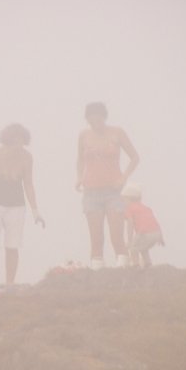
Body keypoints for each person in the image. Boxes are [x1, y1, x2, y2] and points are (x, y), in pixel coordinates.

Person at [0, 123, 45, 291]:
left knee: (13, 245)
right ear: (7, 141)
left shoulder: (27, 157)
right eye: (14, 142)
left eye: (21, 142)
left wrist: (35, 211)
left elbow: (28, 184)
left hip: (16, 206)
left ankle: (10, 284)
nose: (18, 146)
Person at [75, 102, 140, 269]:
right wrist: (79, 177)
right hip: (91, 191)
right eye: (91, 120)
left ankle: (123, 268)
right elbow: (80, 159)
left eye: (98, 119)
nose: (95, 123)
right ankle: (97, 270)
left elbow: (135, 157)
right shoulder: (84, 135)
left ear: (104, 117)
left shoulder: (117, 132)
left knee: (116, 235)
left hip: (114, 191)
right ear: (87, 119)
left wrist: (124, 177)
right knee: (96, 238)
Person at [121, 182, 165, 268]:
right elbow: (155, 222)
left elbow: (130, 224)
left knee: (133, 249)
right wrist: (161, 237)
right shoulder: (146, 208)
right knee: (143, 248)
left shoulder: (130, 208)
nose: (123, 202)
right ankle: (148, 264)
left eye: (124, 199)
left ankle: (135, 266)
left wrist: (130, 240)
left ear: (128, 199)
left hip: (144, 233)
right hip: (156, 233)